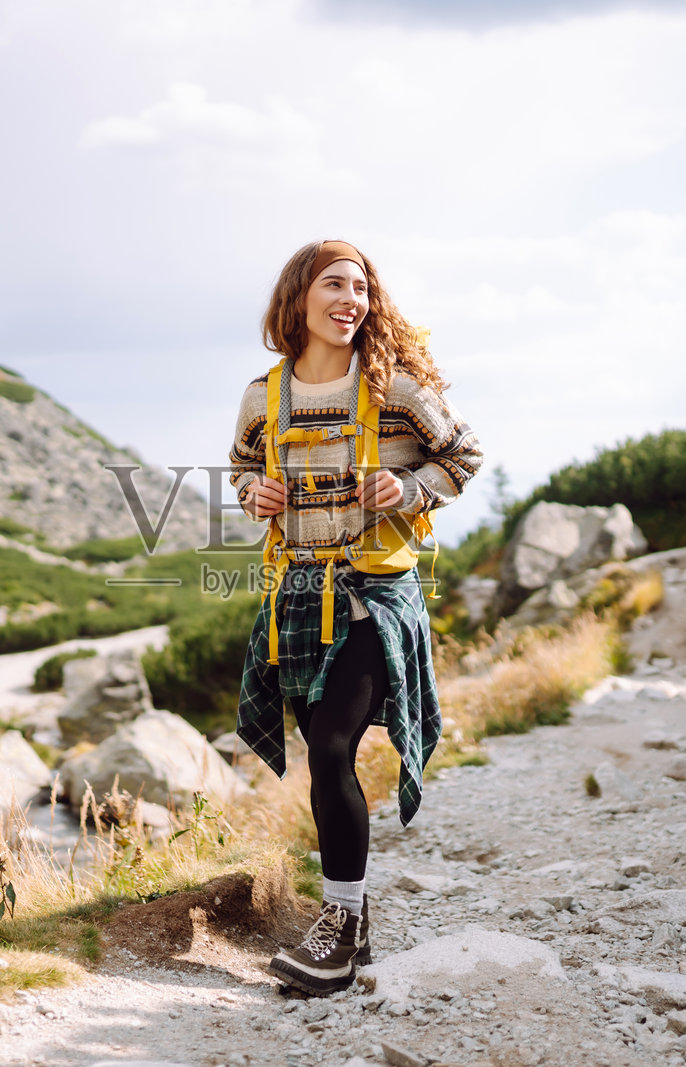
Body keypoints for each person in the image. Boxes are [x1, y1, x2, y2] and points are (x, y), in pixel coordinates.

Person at [229, 239, 483, 995]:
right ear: (299, 297)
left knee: (334, 743)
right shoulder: (263, 397)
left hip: (377, 594)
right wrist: (253, 494)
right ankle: (354, 924)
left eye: (362, 288)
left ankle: (338, 933)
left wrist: (410, 489)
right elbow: (243, 468)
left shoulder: (397, 387)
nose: (352, 300)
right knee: (322, 752)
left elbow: (463, 455)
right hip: (298, 598)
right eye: (335, 284)